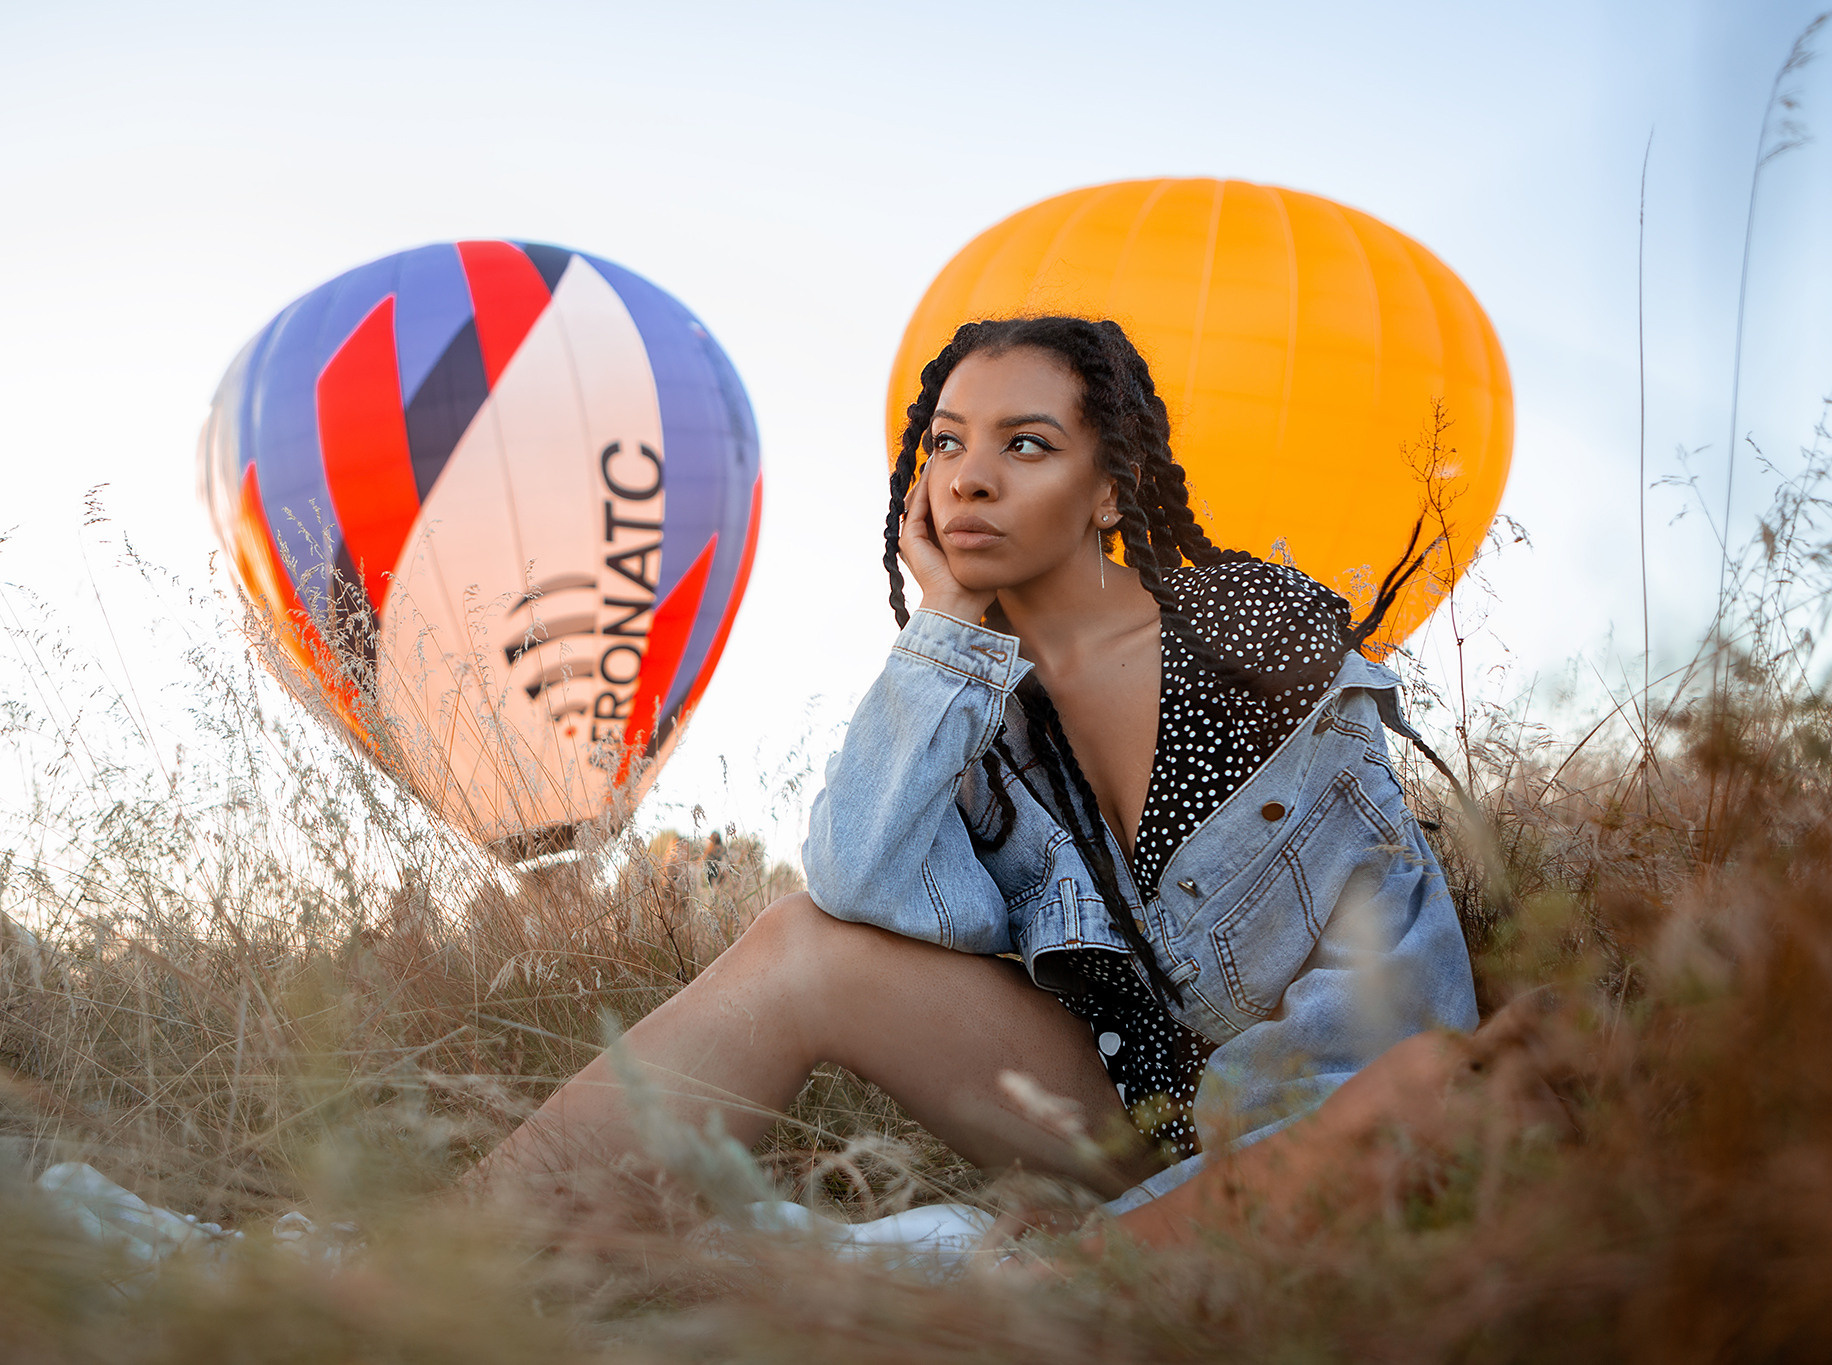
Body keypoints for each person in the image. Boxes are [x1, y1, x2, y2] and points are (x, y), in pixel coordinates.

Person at [486, 317, 1480, 1236]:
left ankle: (1051, 1265)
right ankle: (456, 1241)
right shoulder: (978, 702)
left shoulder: (1247, 631)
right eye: (948, 444)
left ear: (1107, 486)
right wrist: (945, 624)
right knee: (799, 944)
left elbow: (1383, 989)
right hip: (1120, 1122)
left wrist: (1180, 1221)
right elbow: (857, 888)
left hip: (1319, 1118)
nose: (967, 479)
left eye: (1025, 445)